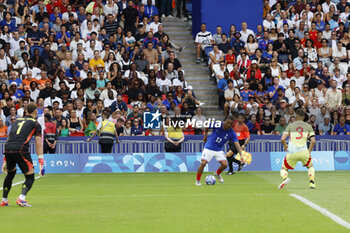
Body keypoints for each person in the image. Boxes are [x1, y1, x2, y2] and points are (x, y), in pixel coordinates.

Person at [1, 102, 45, 207]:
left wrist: (5, 159)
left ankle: (4, 200)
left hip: (8, 148)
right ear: (35, 111)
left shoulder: (16, 121)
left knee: (10, 174)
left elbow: (9, 137)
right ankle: (21, 198)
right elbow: (38, 143)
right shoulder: (35, 123)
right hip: (21, 149)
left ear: (26, 111)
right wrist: (41, 160)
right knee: (30, 177)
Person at [195, 116, 244, 186]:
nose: (229, 125)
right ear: (225, 121)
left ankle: (217, 173)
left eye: (231, 124)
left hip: (218, 149)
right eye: (228, 123)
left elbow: (237, 144)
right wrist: (205, 136)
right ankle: (197, 181)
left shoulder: (232, 132)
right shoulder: (217, 124)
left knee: (225, 164)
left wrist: (241, 156)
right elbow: (207, 126)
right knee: (203, 163)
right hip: (209, 147)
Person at [278, 109, 316, 190]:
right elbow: (313, 141)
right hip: (303, 151)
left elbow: (282, 139)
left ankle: (285, 179)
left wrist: (285, 146)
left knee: (284, 168)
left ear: (296, 115)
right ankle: (312, 182)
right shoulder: (308, 126)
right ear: (304, 116)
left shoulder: (290, 126)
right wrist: (308, 152)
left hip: (292, 152)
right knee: (310, 166)